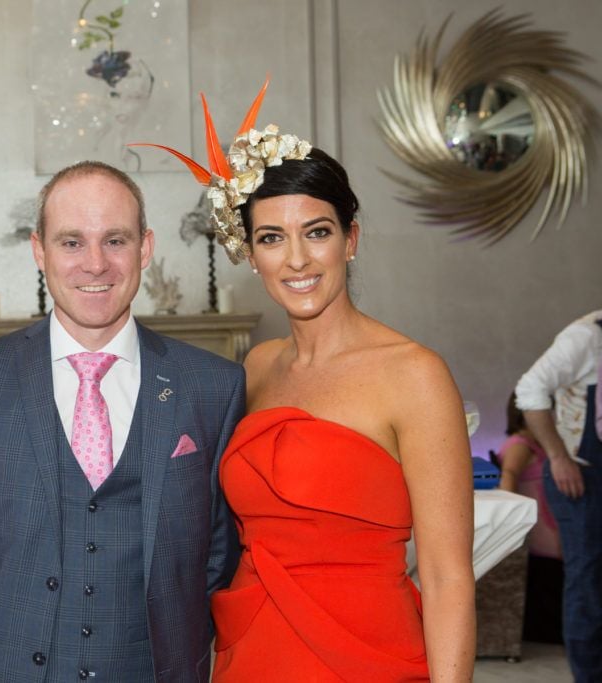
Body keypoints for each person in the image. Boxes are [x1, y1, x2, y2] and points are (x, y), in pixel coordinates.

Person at [139, 85, 475, 681]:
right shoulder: (255, 369)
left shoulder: (414, 374)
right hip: (252, 649)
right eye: (271, 238)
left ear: (351, 239)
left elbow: (449, 576)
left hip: (366, 654)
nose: (296, 259)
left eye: (316, 231)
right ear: (250, 253)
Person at [0, 160, 245, 681]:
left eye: (115, 240)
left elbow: (218, 553)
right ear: (39, 251)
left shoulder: (212, 386)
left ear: (145, 248)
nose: (95, 264)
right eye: (72, 242)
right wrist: (2, 641)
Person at [515, 309, 602, 682]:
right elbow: (529, 390)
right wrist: (558, 456)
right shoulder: (585, 337)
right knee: (588, 579)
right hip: (579, 473)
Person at [496, 392, 563, 643]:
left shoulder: (532, 444)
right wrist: (509, 520)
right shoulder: (520, 445)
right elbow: (509, 475)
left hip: (544, 522)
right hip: (542, 527)